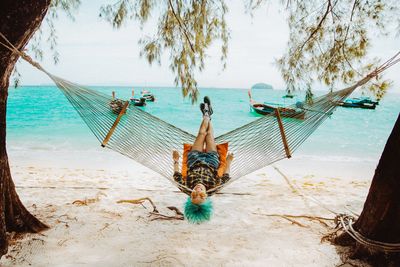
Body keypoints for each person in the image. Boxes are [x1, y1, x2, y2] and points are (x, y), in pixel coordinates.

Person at [172, 96, 234, 223]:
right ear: (206, 198)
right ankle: (208, 114)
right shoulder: (213, 188)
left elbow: (176, 176)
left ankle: (206, 114)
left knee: (202, 133)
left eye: (194, 195)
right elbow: (226, 177)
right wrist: (228, 161)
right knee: (209, 134)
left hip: (194, 159)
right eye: (201, 195)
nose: (197, 191)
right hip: (212, 160)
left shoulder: (186, 188)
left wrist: (176, 160)